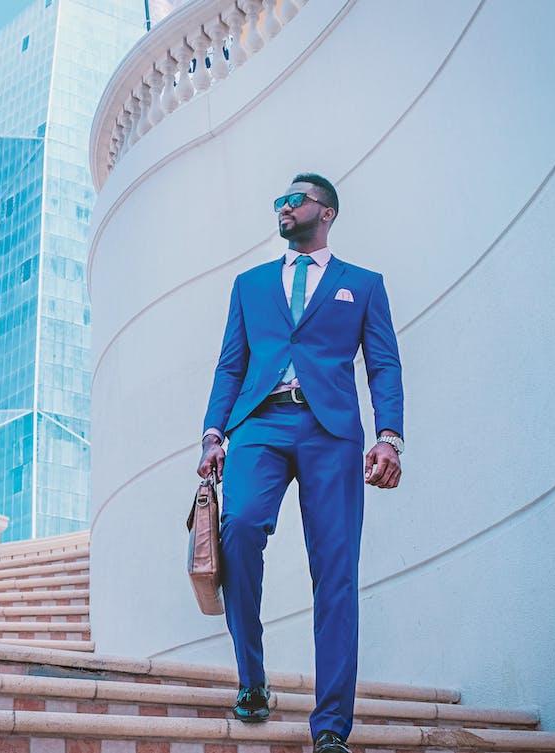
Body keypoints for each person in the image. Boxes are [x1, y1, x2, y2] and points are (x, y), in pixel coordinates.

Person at [197, 173, 404, 753]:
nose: (284, 209)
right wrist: (214, 432)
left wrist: (390, 435)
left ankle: (332, 725)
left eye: (296, 200)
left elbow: (383, 365)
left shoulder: (363, 285)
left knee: (335, 570)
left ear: (327, 212)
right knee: (238, 530)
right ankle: (252, 680)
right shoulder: (251, 285)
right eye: (279, 202)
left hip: (331, 432)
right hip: (259, 424)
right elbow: (229, 365)